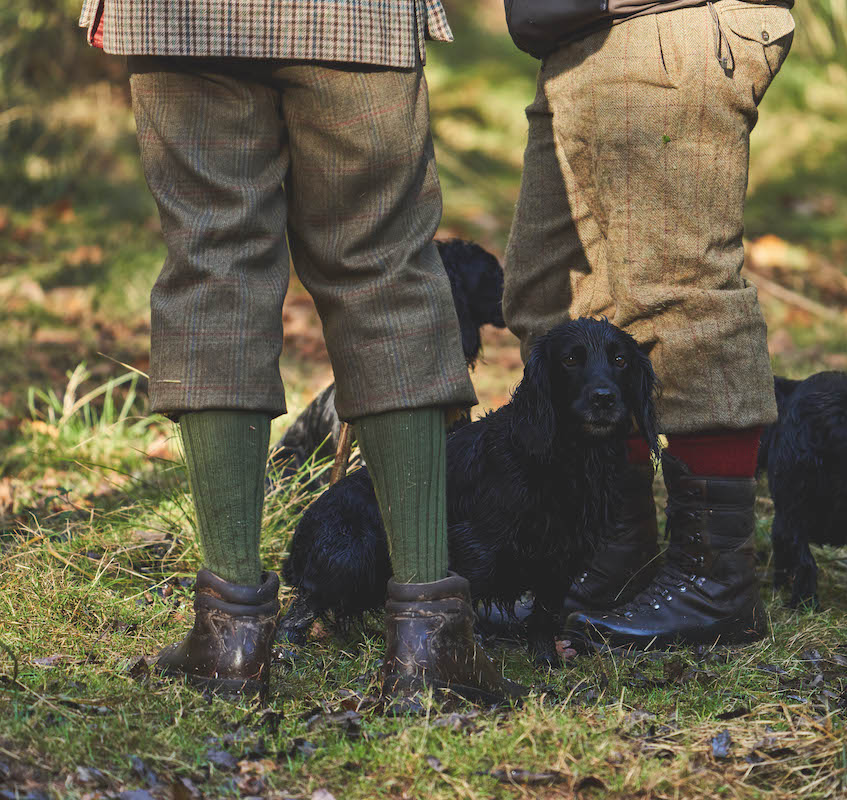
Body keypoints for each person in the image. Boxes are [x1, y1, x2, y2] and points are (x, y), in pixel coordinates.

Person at [78, 0, 522, 702]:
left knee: (212, 265)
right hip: (353, 15)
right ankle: (430, 644)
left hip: (182, 15)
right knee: (384, 270)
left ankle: (228, 641)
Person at [502, 0, 795, 649]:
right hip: (570, 38)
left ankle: (716, 582)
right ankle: (610, 547)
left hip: (664, 23)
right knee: (552, 297)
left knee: (677, 288)